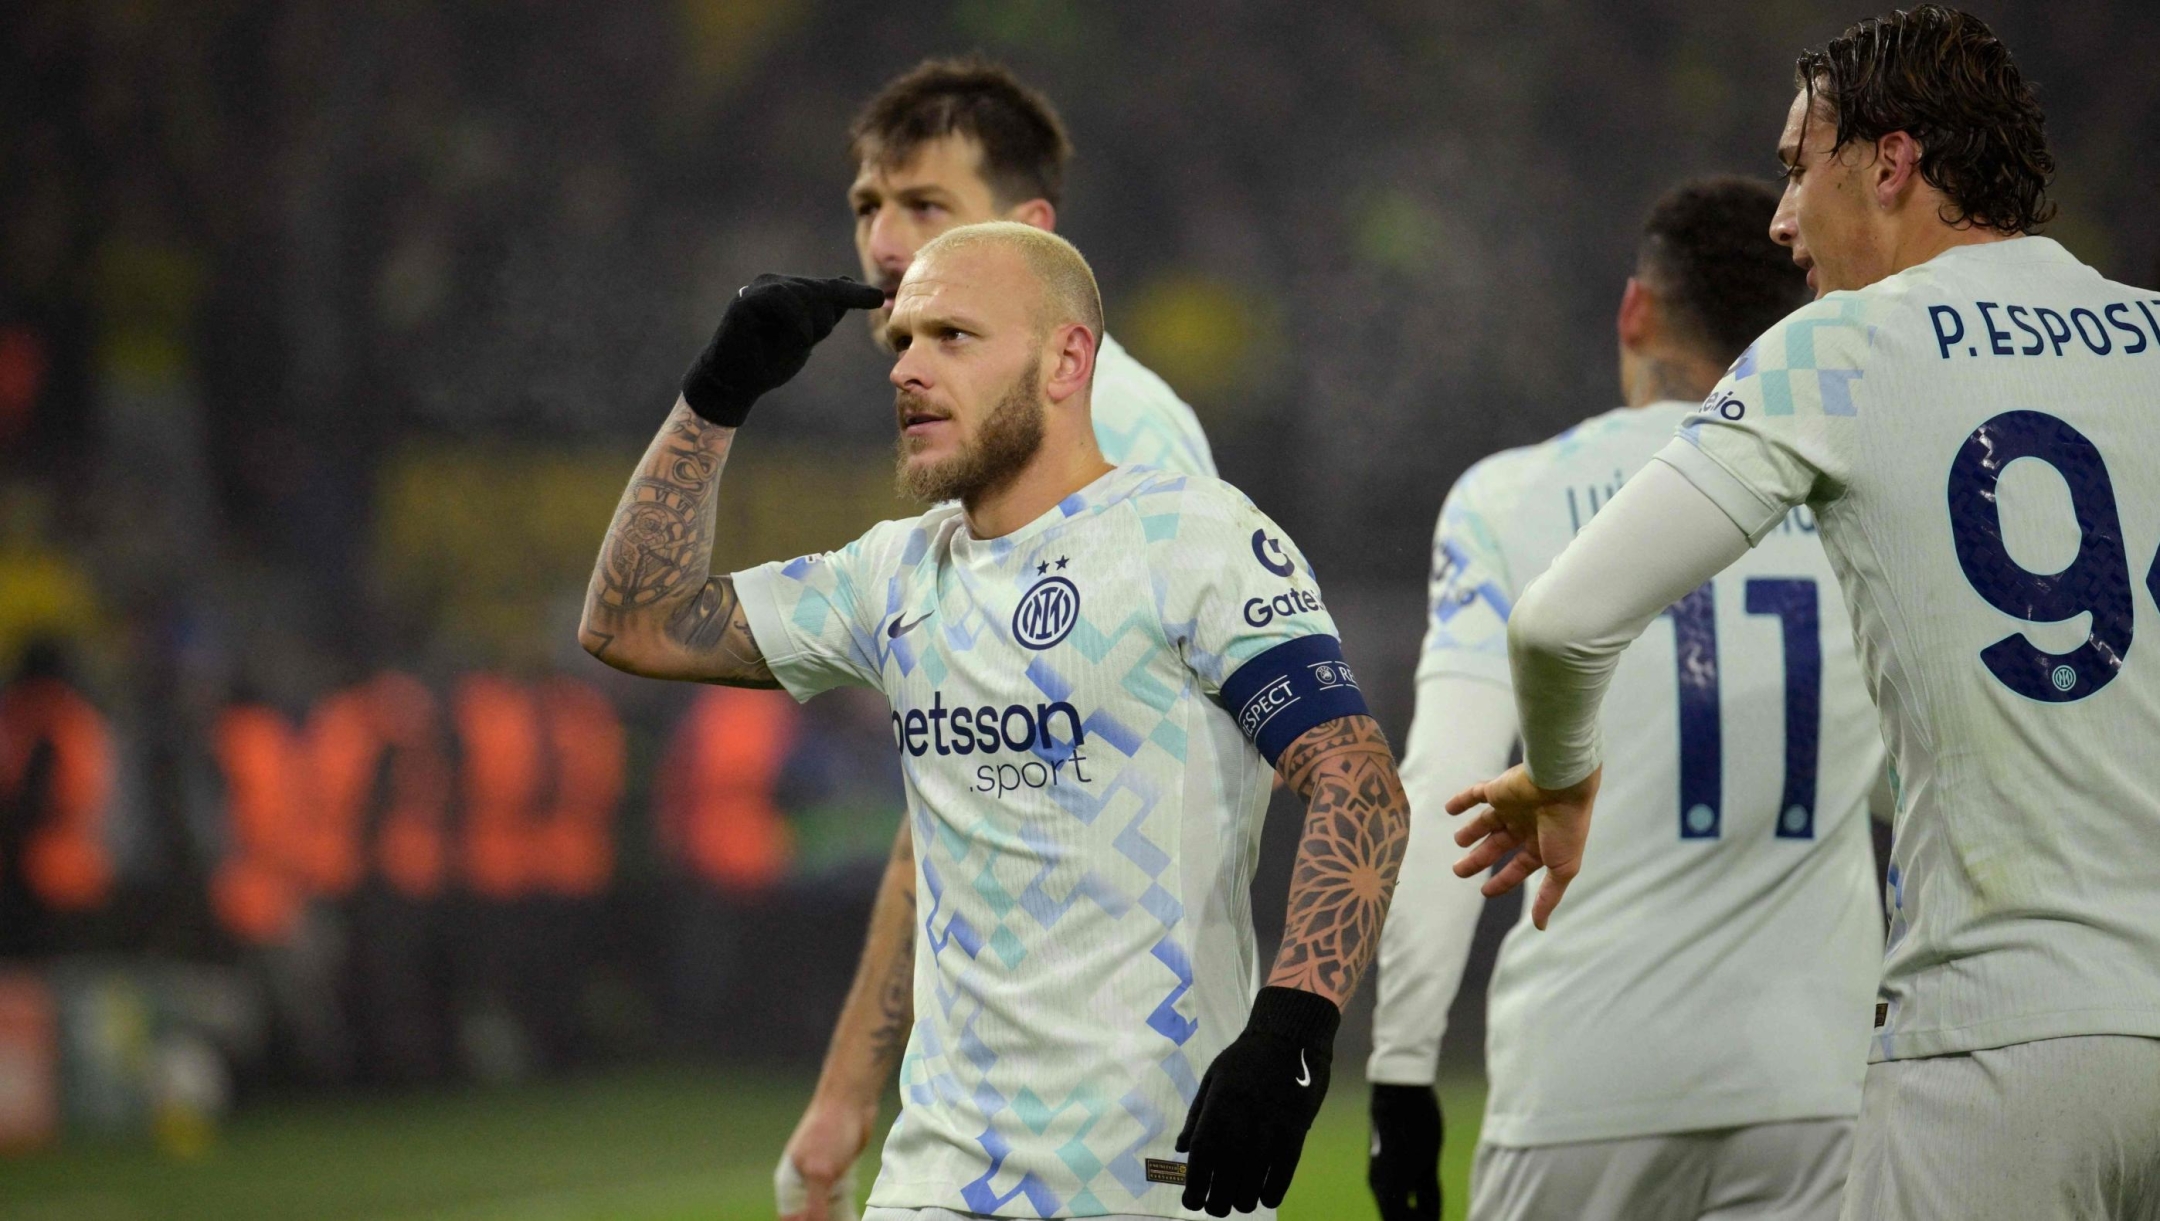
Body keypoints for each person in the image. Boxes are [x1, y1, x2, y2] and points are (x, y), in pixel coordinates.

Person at [1445, 9, 2160, 1219]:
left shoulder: (1831, 349)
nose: (1780, 219)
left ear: (1890, 163)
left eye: (1795, 163)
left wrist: (1562, 781)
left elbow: (1558, 626)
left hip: (1997, 1042)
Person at [580, 222, 1409, 1220]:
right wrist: (718, 394)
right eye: (903, 343)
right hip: (940, 1180)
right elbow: (634, 620)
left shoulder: (1192, 536)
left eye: (954, 338)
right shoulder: (891, 574)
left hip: (1158, 1178)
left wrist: (1294, 1028)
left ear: (1067, 359)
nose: (909, 371)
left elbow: (1357, 779)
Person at [1365, 178, 1883, 1221]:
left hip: (1585, 1082)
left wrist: (1402, 1067)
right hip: (1816, 1086)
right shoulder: (1857, 494)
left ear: (1636, 311)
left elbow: (1444, 796)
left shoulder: (1507, 499)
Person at [785, 59, 1218, 1219]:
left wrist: (845, 1097)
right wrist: (847, 1095)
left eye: (926, 205)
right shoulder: (1001, 439)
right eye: (868, 206)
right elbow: (958, 804)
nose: (883, 240)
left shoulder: (1102, 443)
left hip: (1088, 1112)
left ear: (1032, 231)